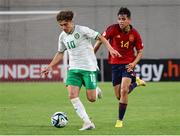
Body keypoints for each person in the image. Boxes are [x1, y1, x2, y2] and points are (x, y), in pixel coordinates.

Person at [41, 10, 121, 131]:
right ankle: (87, 122)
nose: (63, 27)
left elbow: (100, 36)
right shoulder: (62, 36)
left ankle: (96, 89)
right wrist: (50, 66)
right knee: (72, 95)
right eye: (61, 25)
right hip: (73, 69)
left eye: (65, 24)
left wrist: (110, 48)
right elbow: (60, 52)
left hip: (89, 68)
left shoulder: (82, 30)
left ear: (71, 22)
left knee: (92, 98)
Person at [94, 7, 146, 128]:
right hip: (114, 65)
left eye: (123, 19)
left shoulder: (135, 34)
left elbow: (140, 51)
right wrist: (92, 54)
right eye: (119, 19)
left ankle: (119, 120)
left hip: (128, 65)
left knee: (123, 91)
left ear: (129, 20)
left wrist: (133, 64)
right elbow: (100, 40)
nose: (121, 21)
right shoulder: (112, 29)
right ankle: (136, 83)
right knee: (119, 96)